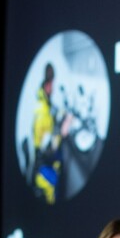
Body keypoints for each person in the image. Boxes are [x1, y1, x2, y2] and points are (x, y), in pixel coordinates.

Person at [32, 62, 72, 205]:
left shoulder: (48, 105)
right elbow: (47, 147)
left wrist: (65, 116)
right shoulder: (41, 112)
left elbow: (57, 113)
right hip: (44, 169)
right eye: (51, 84)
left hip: (51, 163)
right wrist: (61, 133)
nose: (53, 88)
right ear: (47, 86)